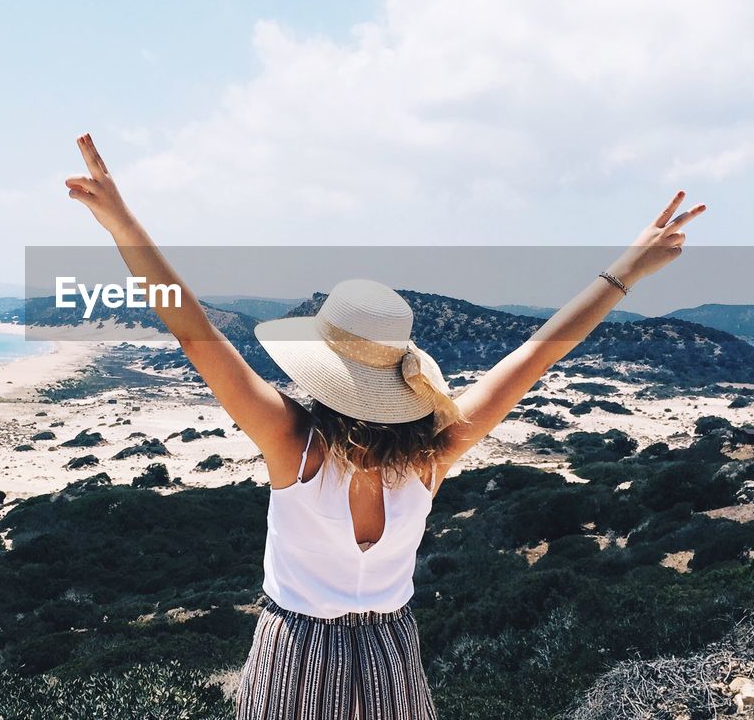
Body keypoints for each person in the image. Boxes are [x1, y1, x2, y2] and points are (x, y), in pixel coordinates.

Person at [64, 133, 705, 719]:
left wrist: (122, 223)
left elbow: (194, 333)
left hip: (296, 655)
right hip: (390, 655)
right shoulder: (432, 455)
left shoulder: (294, 446)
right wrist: (625, 272)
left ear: (323, 375)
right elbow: (538, 352)